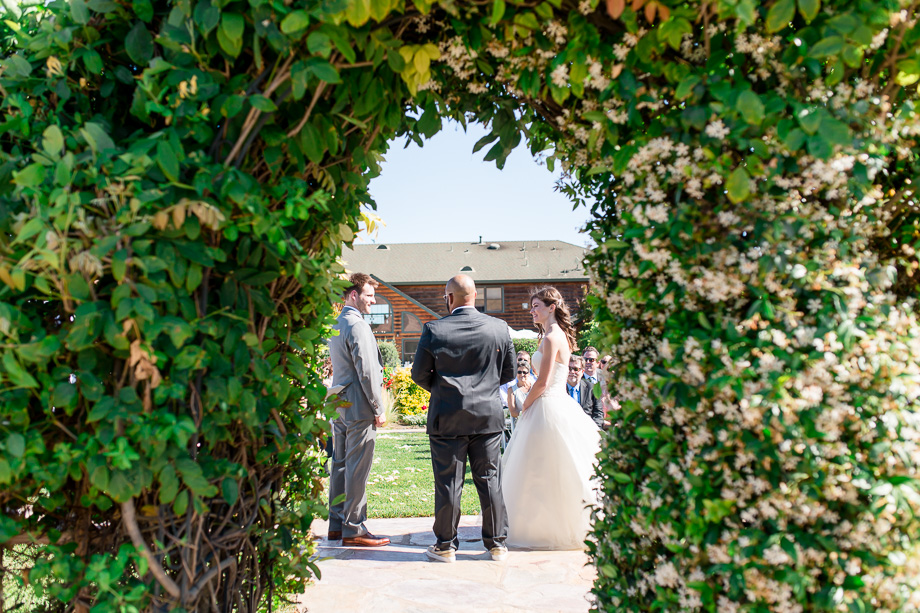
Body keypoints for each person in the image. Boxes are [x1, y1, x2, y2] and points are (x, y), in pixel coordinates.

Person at [411, 274, 515, 563]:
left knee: (448, 482)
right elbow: (508, 374)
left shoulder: (434, 329)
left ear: (450, 297)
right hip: (487, 417)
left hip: (448, 416)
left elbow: (418, 374)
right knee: (490, 479)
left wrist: (446, 390)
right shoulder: (499, 328)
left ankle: (445, 546)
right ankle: (497, 545)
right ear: (475, 297)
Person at [502, 286, 601, 550]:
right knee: (545, 469)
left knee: (543, 468)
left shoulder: (550, 339)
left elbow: (543, 382)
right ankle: (543, 524)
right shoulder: (555, 336)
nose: (532, 310)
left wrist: (526, 407)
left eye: (536, 306)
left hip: (547, 405)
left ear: (551, 308)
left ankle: (543, 528)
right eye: (531, 306)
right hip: (556, 403)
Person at [326, 273, 390, 547]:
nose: (373, 301)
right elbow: (366, 371)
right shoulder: (358, 325)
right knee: (356, 467)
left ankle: (336, 525)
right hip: (358, 406)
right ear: (353, 295)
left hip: (338, 403)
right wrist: (378, 407)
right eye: (369, 295)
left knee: (340, 465)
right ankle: (354, 528)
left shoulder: (336, 323)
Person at [566, 356, 605, 429]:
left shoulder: (591, 388)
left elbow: (598, 414)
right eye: (569, 368)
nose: (572, 372)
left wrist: (594, 432)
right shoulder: (559, 389)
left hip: (587, 431)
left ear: (582, 371)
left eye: (576, 369)